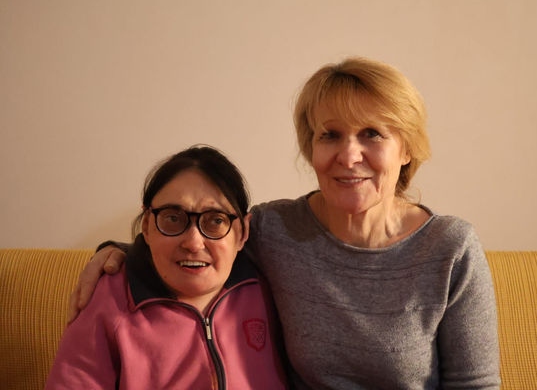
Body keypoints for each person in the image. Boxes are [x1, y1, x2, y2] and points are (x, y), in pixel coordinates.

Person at [70, 57, 501, 389]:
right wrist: (119, 251)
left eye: (372, 133)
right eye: (330, 135)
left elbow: (475, 385)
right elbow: (199, 236)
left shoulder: (451, 248)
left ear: (406, 149)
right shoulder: (275, 230)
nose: (349, 155)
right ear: (311, 147)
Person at [46, 146, 288, 389]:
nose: (193, 243)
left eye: (215, 221)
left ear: (243, 232)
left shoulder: (272, 281)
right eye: (173, 218)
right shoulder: (110, 296)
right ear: (147, 226)